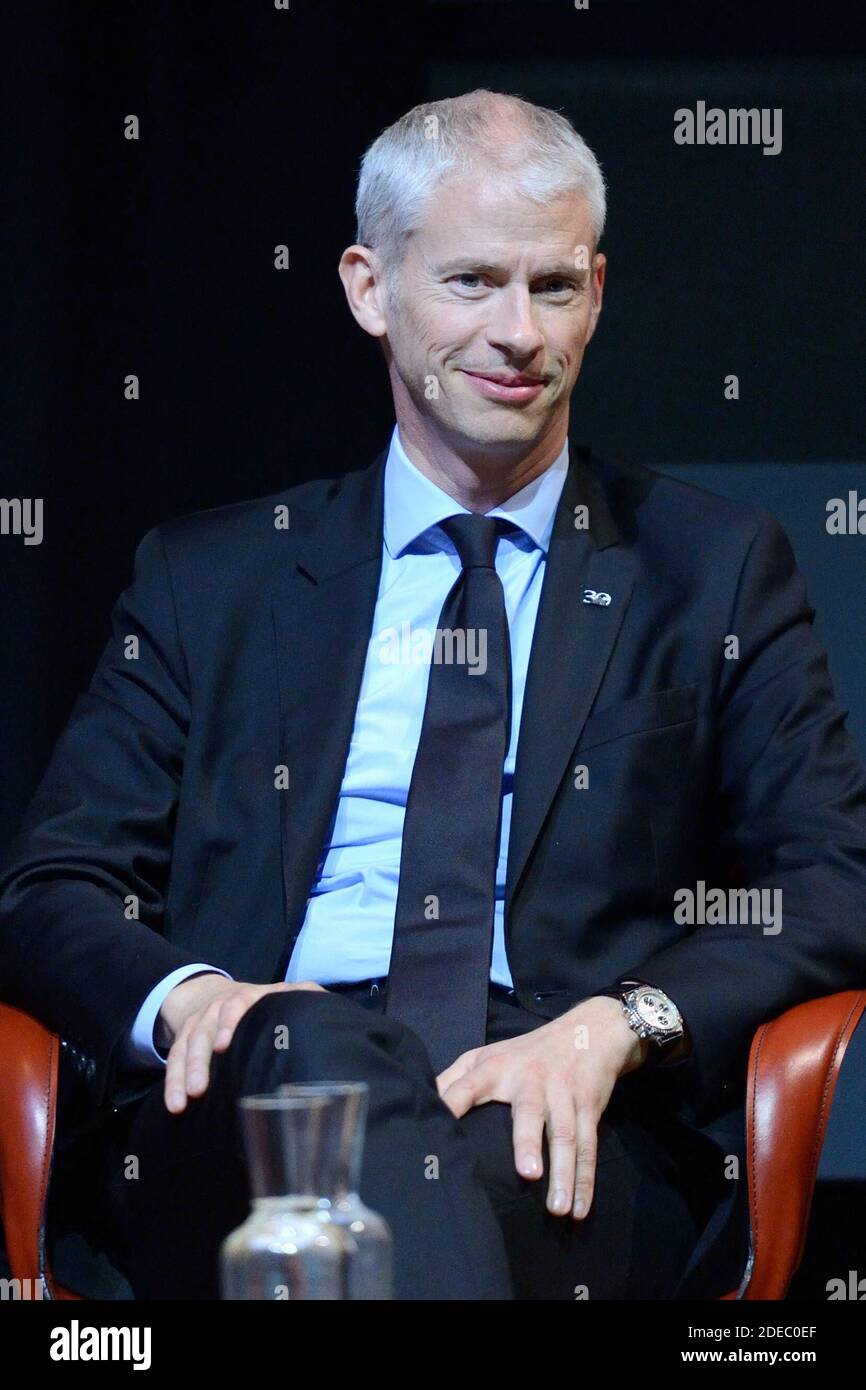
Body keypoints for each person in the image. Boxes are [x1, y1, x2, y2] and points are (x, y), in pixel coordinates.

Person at [3, 89, 866, 1301]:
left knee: (453, 1176)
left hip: (558, 1118)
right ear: (369, 288)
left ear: (598, 294)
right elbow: (53, 888)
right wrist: (200, 1000)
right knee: (313, 1053)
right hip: (258, 1105)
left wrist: (618, 1024)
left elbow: (831, 878)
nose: (517, 331)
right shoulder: (214, 579)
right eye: (470, 282)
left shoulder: (709, 568)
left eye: (552, 286)